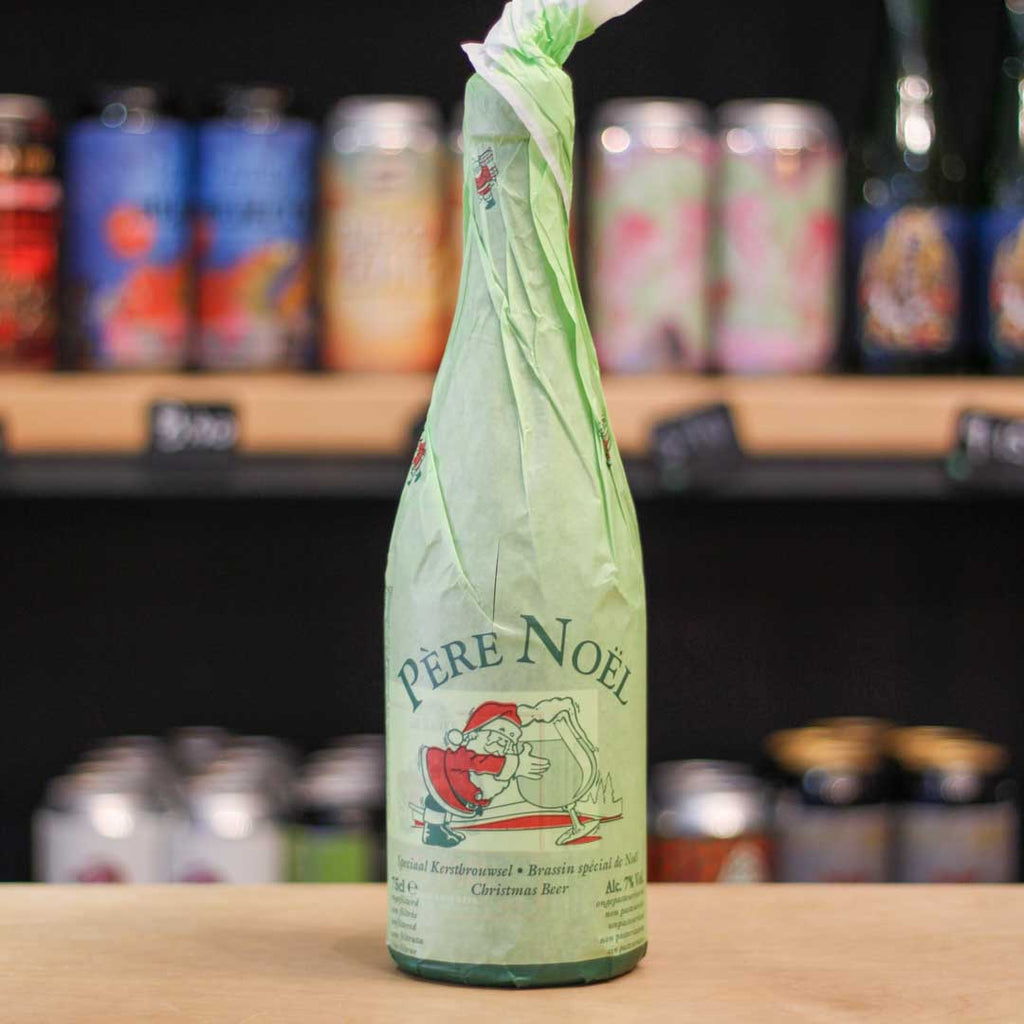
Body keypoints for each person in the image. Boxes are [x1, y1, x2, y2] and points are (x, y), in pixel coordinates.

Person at [419, 697, 577, 847]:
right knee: (437, 802)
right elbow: (479, 762)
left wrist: (514, 766)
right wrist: (515, 765)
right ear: (475, 734)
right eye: (498, 737)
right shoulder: (465, 755)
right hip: (446, 779)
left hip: (460, 793)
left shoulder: (490, 761)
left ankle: (439, 829)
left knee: (441, 805)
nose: (502, 744)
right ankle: (433, 832)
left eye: (507, 740)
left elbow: (491, 777)